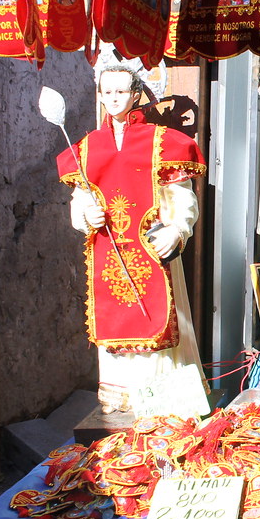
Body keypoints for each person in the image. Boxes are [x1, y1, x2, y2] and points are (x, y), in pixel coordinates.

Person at [57, 66, 207, 413]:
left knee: (162, 317)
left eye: (121, 92)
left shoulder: (162, 142)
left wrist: (177, 229)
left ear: (135, 94)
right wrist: (87, 216)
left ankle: (162, 401)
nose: (113, 99)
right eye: (107, 92)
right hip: (108, 251)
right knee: (114, 317)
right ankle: (121, 394)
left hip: (152, 247)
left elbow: (183, 196)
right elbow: (80, 197)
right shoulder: (88, 147)